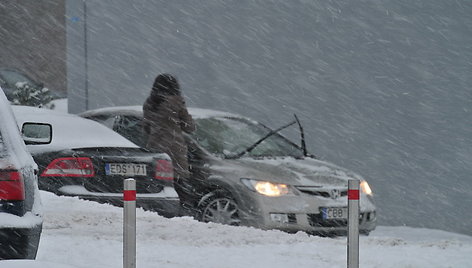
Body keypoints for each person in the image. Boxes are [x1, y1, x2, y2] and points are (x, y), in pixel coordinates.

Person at [143, 73, 195, 214]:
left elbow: (146, 127)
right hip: (174, 149)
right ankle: (181, 213)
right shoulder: (176, 102)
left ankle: (159, 211)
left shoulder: (149, 103)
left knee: (159, 183)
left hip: (155, 149)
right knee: (179, 185)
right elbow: (189, 127)